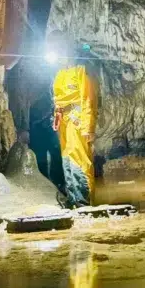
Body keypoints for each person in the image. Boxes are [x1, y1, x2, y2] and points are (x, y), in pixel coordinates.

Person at [48, 31, 97, 207]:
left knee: (80, 159)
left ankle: (84, 201)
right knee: (67, 159)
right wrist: (57, 116)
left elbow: (88, 98)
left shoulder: (81, 69)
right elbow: (58, 99)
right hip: (64, 121)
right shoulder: (60, 73)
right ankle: (73, 199)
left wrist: (88, 126)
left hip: (77, 119)